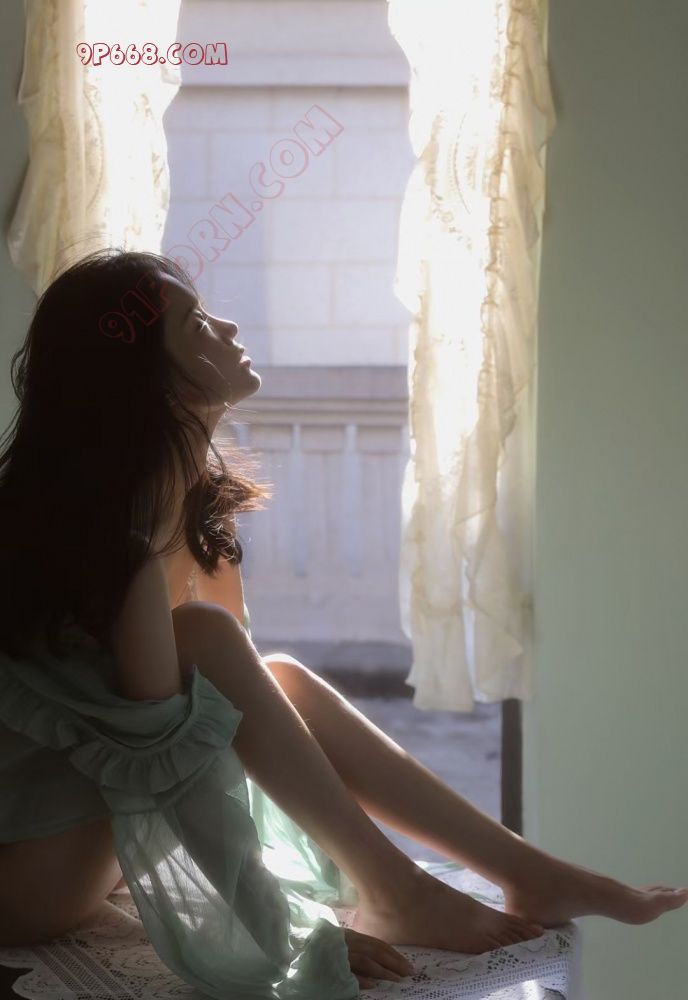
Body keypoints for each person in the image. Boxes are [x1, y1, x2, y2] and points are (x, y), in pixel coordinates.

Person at [0, 249, 685, 998]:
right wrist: (289, 931)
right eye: (196, 324)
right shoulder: (112, 550)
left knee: (276, 676)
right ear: (148, 381)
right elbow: (179, 781)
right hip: (30, 882)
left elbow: (237, 727)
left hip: (89, 838)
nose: (228, 327)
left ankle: (520, 869)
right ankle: (400, 890)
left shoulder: (196, 520)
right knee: (207, 636)